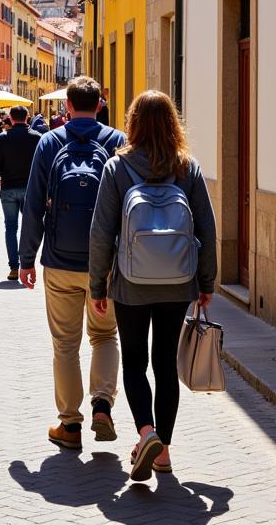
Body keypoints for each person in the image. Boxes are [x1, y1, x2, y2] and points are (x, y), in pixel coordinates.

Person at [89, 90, 217, 481]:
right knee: (165, 363)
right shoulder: (188, 168)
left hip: (130, 281)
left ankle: (147, 433)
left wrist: (97, 285)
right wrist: (206, 281)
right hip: (178, 281)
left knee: (134, 361)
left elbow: (101, 232)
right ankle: (164, 455)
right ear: (172, 123)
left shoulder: (117, 167)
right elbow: (207, 229)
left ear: (134, 123)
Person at [19, 76, 125, 451]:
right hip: (107, 264)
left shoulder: (50, 141)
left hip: (60, 261)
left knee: (65, 344)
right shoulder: (116, 142)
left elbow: (33, 205)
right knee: (105, 335)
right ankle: (102, 404)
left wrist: (26, 258)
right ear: (100, 105)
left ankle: (70, 425)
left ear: (66, 107)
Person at [0, 106, 41, 281]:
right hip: (30, 189)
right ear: (27, 118)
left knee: (10, 227)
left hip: (9, 188)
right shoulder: (37, 138)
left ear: (10, 118)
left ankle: (13, 268)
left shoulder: (3, 138)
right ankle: (28, 263)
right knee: (29, 226)